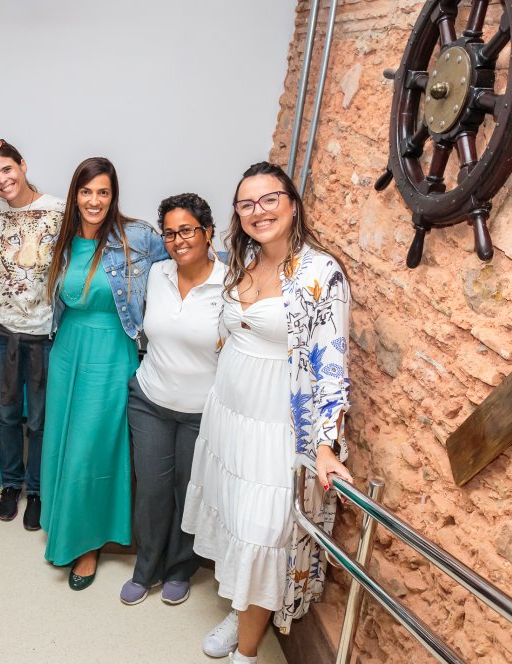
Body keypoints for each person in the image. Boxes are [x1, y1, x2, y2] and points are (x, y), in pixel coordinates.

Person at [181, 162, 352, 663]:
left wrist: (325, 446)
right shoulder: (243, 259)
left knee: (263, 531)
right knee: (236, 519)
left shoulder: (321, 273)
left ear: (292, 204)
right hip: (230, 414)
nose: (259, 211)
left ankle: (248, 652)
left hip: (277, 424)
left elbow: (332, 365)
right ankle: (241, 611)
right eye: (247, 204)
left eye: (270, 199)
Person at [41, 157, 168, 590]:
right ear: (75, 195)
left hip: (111, 352)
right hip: (67, 350)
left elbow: (184, 262)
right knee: (63, 443)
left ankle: (88, 544)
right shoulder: (63, 238)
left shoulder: (138, 238)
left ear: (113, 197)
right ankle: (64, 523)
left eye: (103, 192)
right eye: (86, 191)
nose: (94, 201)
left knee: (92, 450)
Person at [120, 193, 225, 606]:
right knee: (152, 489)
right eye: (169, 233)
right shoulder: (156, 273)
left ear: (208, 232)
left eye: (187, 230)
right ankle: (146, 568)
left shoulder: (232, 283)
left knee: (188, 490)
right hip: (150, 401)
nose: (178, 241)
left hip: (202, 412)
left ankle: (181, 568)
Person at [0, 138, 63, 530]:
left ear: (23, 165)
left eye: (7, 169)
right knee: (7, 414)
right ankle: (11, 483)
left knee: (39, 419)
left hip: (42, 333)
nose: (2, 180)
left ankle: (38, 490)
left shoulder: (59, 210)